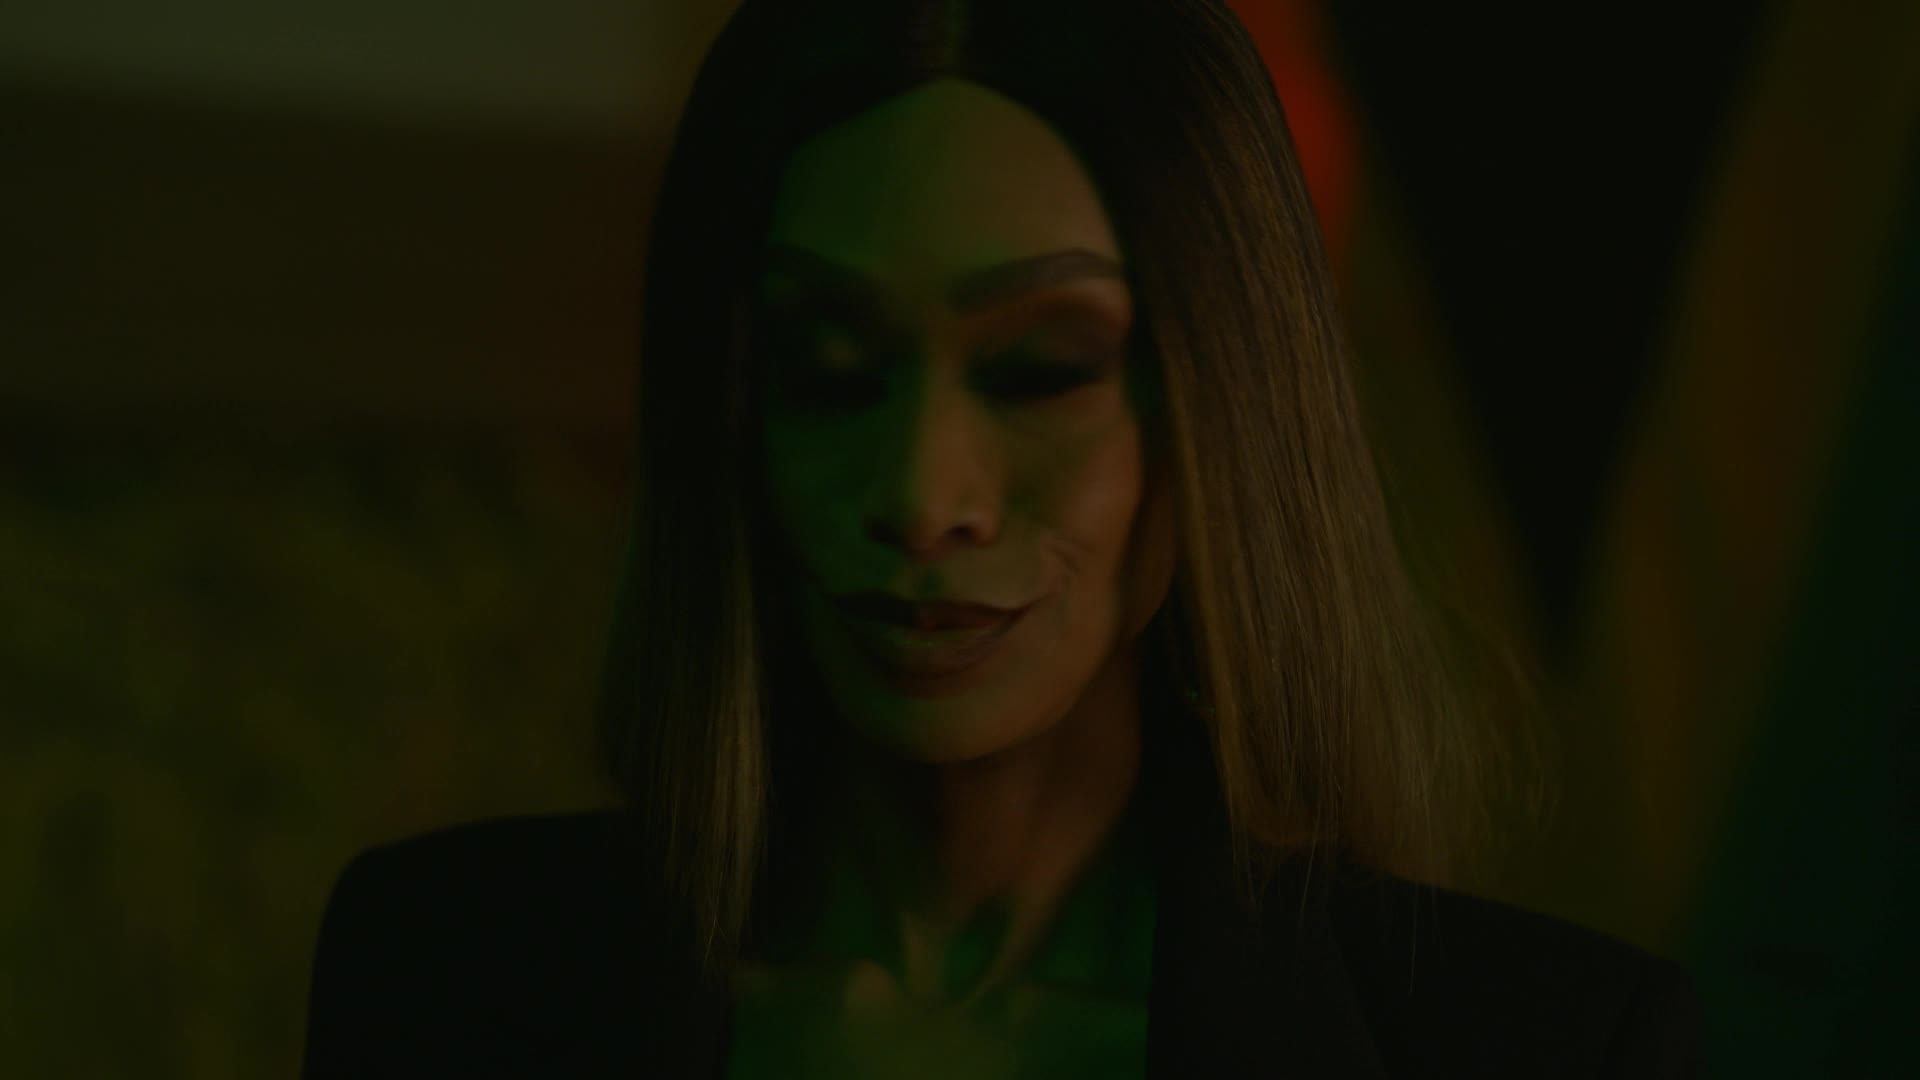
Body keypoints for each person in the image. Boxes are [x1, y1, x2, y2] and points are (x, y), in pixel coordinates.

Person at [301, 1, 1705, 1076]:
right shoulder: (449, 975)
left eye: (1042, 369)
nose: (924, 494)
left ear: (1225, 414)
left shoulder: (1533, 1049)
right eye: (829, 370)